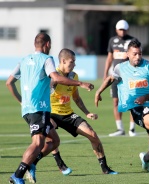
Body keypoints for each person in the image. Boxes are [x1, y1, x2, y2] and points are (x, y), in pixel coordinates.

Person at [6, 33, 94, 184]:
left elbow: (9, 82)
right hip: (38, 108)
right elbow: (57, 77)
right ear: (47, 44)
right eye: (50, 45)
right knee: (38, 143)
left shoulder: (24, 60)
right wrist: (80, 84)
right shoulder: (47, 59)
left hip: (29, 108)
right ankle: (17, 175)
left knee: (54, 140)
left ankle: (31, 164)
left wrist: (22, 101)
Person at [27, 48, 118, 180]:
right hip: (50, 113)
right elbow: (54, 82)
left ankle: (105, 168)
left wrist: (87, 113)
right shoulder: (52, 74)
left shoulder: (74, 76)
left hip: (68, 114)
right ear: (63, 61)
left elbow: (76, 98)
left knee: (92, 135)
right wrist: (79, 84)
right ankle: (48, 164)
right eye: (72, 61)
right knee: (51, 137)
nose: (74, 64)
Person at [95, 39, 149, 174]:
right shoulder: (120, 68)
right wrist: (99, 91)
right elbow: (111, 78)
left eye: (140, 54)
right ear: (127, 54)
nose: (138, 57)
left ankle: (146, 158)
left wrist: (146, 97)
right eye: (134, 54)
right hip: (137, 107)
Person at [103, 19, 137, 137]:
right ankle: (120, 129)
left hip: (129, 76)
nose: (122, 31)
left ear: (127, 29)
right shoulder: (112, 41)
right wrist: (105, 73)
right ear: (116, 29)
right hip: (115, 76)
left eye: (124, 29)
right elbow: (109, 58)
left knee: (131, 101)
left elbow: (136, 57)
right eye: (120, 29)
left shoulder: (132, 41)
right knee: (116, 101)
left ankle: (132, 129)